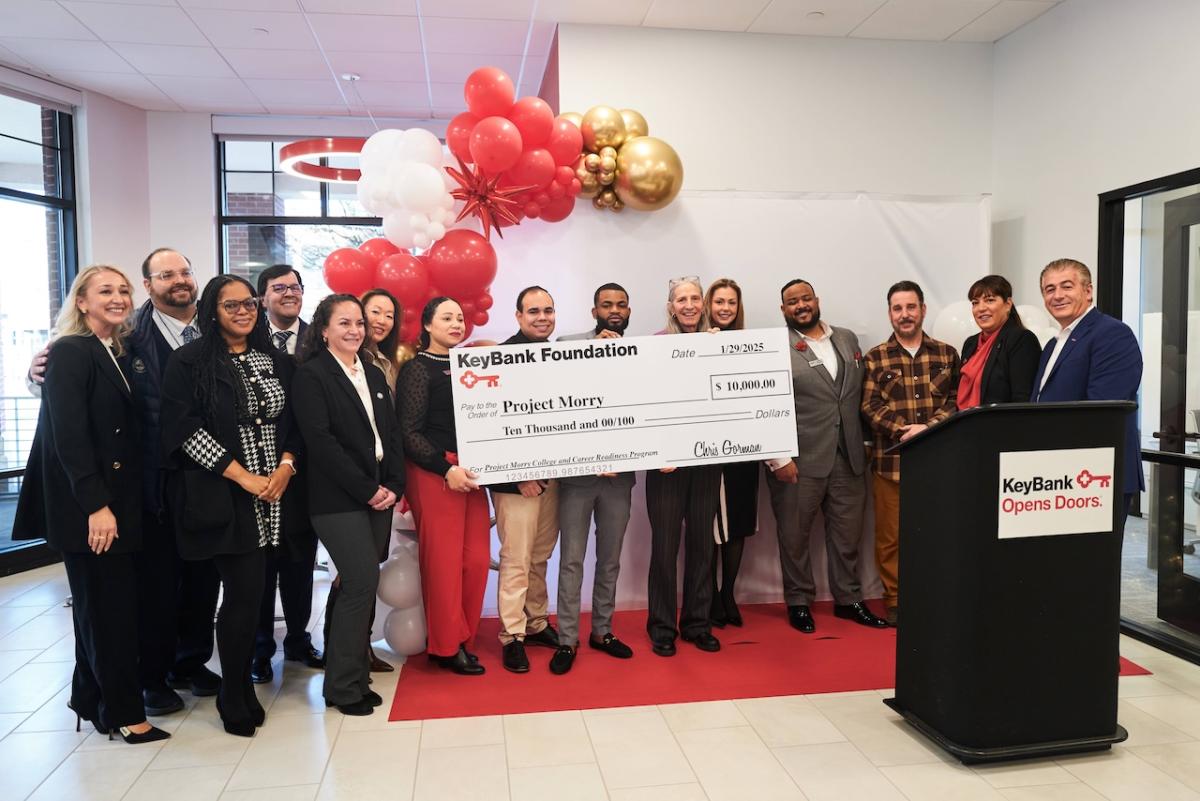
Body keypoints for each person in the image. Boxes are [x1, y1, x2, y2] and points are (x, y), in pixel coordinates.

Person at [26, 248, 221, 715]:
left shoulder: (214, 328)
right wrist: (35, 376)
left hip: (208, 478)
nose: (179, 280)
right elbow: (72, 396)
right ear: (149, 284)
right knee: (153, 585)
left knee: (201, 579)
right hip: (145, 481)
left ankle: (189, 662)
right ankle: (149, 677)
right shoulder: (127, 334)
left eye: (185, 272)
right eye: (165, 274)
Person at [13, 265, 169, 744]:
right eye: (106, 291)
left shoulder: (118, 350)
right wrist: (96, 507)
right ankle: (124, 713)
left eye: (123, 290)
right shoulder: (69, 351)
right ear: (81, 302)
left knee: (101, 610)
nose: (118, 298)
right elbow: (70, 438)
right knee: (109, 614)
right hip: (91, 508)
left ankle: (91, 700)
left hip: (119, 503)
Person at [161, 275, 300, 737]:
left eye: (248, 303)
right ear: (211, 311)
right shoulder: (190, 361)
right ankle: (232, 692)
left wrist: (284, 467)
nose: (242, 311)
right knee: (239, 598)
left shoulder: (277, 361)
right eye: (230, 305)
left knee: (253, 595)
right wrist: (243, 476)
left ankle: (238, 686)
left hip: (272, 497)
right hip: (221, 495)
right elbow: (182, 431)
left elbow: (292, 422)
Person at [293, 295, 404, 716]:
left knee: (357, 584)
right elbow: (321, 444)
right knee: (359, 583)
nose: (355, 330)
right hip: (337, 498)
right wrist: (366, 489)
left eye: (359, 322)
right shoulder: (313, 376)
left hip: (379, 493)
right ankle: (341, 687)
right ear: (323, 330)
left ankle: (355, 676)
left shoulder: (372, 372)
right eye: (344, 323)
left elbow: (389, 434)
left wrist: (394, 483)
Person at [765, 280, 888, 634]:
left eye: (805, 298)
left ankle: (849, 600)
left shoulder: (847, 339)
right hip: (798, 461)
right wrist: (777, 458)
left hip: (848, 457)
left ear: (817, 300)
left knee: (848, 535)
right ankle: (798, 602)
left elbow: (861, 394)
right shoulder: (775, 346)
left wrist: (864, 444)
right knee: (794, 536)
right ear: (783, 309)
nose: (800, 305)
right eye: (792, 302)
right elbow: (767, 406)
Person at [398, 297, 488, 676]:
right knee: (444, 563)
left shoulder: (470, 363)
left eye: (460, 317)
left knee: (477, 560)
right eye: (446, 318)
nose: (456, 323)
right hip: (434, 472)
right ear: (428, 325)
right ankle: (446, 646)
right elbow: (408, 432)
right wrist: (442, 467)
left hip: (470, 472)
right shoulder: (417, 369)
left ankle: (464, 637)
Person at [862, 280, 960, 626]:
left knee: (938, 533)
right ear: (890, 313)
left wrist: (928, 427)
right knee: (891, 538)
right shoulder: (876, 357)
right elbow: (869, 405)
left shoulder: (946, 354)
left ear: (923, 309)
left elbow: (955, 401)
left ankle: (934, 595)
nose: (905, 315)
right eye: (897, 308)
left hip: (938, 463)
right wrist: (902, 430)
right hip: (891, 464)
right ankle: (895, 599)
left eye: (911, 307)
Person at [551, 284, 637, 675]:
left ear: (629, 310)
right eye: (607, 305)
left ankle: (602, 631)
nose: (614, 310)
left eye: (620, 305)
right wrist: (594, 355)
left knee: (610, 560)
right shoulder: (568, 345)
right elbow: (556, 401)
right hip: (578, 478)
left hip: (619, 478)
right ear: (594, 310)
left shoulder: (645, 356)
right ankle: (566, 639)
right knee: (571, 561)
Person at [250, 265, 322, 684]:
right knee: (260, 569)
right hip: (257, 474)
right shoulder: (245, 338)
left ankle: (298, 638)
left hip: (306, 473)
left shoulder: (319, 338)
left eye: (295, 287)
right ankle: (260, 649)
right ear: (263, 298)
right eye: (279, 289)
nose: (289, 294)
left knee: (300, 563)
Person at [1032, 258, 1143, 527]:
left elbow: (1103, 412)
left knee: (1091, 565)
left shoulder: (1112, 334)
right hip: (1056, 478)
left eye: (1066, 286)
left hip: (1093, 477)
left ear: (1088, 290)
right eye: (1049, 289)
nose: (1057, 295)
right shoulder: (1051, 345)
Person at [646, 277, 722, 656]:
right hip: (667, 467)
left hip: (707, 461)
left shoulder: (720, 343)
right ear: (671, 306)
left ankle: (697, 623)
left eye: (695, 298)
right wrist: (658, 451)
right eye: (682, 299)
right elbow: (644, 404)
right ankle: (661, 627)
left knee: (702, 546)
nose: (689, 305)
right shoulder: (655, 345)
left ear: (703, 304)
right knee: (664, 547)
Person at [490, 286, 562, 673]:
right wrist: (517, 476)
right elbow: (490, 422)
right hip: (517, 483)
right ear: (518, 316)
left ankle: (535, 623)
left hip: (553, 479)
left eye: (548, 310)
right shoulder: (499, 358)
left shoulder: (560, 356)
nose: (542, 317)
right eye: (533, 311)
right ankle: (512, 635)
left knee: (540, 556)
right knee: (516, 559)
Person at [703, 278, 760, 628]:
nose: (725, 308)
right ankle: (709, 594)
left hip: (745, 450)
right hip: (709, 451)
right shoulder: (694, 343)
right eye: (719, 301)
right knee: (710, 527)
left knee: (738, 524)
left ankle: (728, 593)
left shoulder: (753, 346)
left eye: (732, 303)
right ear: (709, 305)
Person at [958, 275, 1042, 410]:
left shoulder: (1021, 340)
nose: (981, 308)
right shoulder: (970, 343)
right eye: (975, 302)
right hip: (963, 426)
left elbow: (1022, 401)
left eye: (989, 300)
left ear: (1008, 304)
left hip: (1001, 428)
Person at [361, 288, 404, 392]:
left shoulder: (387, 362)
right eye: (376, 312)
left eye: (389, 316)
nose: (382, 321)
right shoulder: (350, 358)